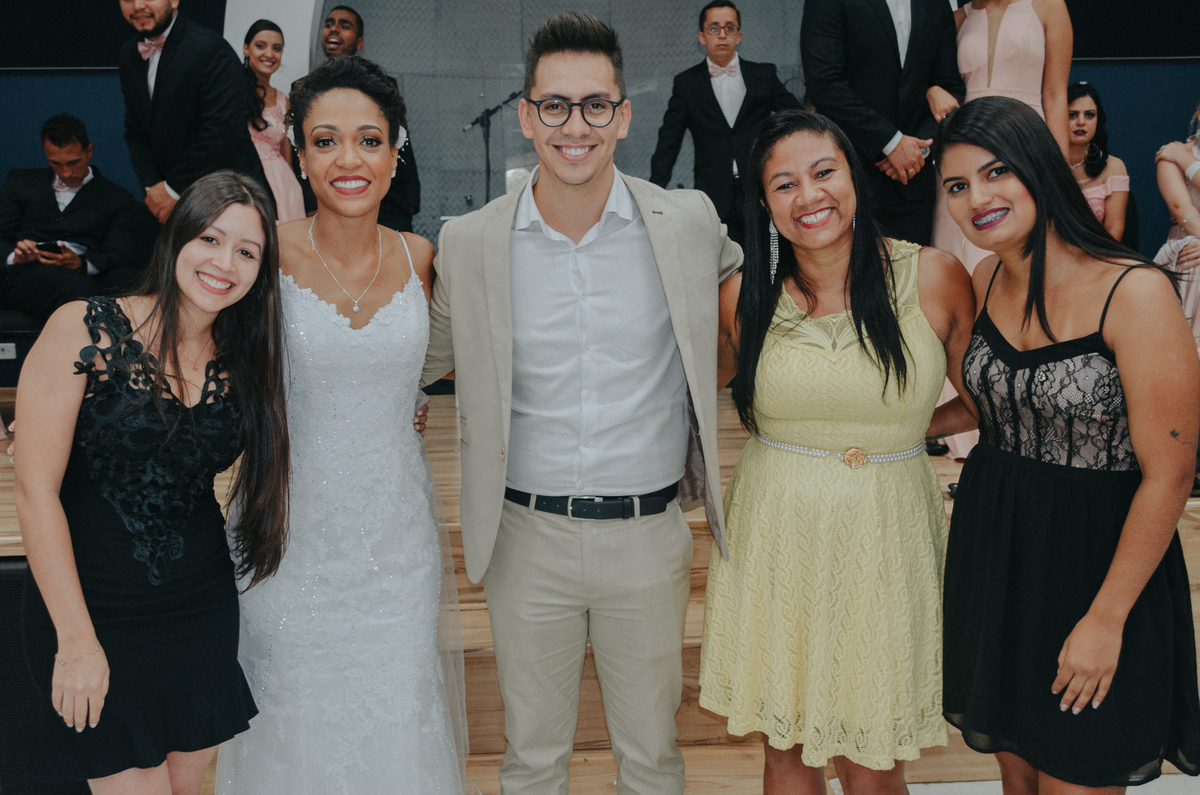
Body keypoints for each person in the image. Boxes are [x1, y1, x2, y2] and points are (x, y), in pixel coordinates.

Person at [421, 12, 741, 793]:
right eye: (555, 105)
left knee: (653, 760)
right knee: (531, 762)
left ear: (623, 116)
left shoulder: (688, 222)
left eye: (595, 104)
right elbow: (416, 362)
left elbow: (757, 311)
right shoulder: (470, 241)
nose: (575, 125)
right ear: (526, 116)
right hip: (524, 537)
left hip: (648, 536)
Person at [699, 109, 974, 794]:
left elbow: (986, 398)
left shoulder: (933, 276)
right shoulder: (742, 297)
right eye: (784, 184)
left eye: (824, 172)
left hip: (885, 529)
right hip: (776, 530)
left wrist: (903, 429)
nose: (809, 196)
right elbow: (686, 395)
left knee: (872, 757)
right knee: (784, 751)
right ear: (764, 204)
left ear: (855, 175)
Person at [932, 95, 1200, 792]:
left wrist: (1106, 619)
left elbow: (1170, 474)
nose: (976, 198)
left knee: (1076, 777)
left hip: (1097, 565)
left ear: (1039, 168)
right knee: (1019, 781)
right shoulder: (986, 279)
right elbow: (996, 402)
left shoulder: (1135, 293)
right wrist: (892, 429)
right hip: (998, 554)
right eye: (957, 185)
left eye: (996, 172)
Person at [216, 55, 466, 794]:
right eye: (325, 141)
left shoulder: (423, 257)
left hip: (396, 544)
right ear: (298, 154)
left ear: (395, 152)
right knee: (288, 722)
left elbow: (439, 365)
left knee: (396, 719)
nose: (348, 160)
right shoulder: (262, 254)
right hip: (286, 535)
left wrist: (409, 401)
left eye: (368, 140)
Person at [16, 170, 290, 793]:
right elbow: (35, 492)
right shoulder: (84, 328)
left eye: (247, 252)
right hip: (90, 610)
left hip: (199, 608)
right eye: (210, 239)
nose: (224, 263)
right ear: (176, 239)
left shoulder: (247, 361)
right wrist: (76, 642)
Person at [802, 0, 965, 246]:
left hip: (914, 179)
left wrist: (917, 149)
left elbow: (949, 87)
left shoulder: (936, 4)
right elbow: (824, 84)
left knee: (915, 268)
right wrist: (890, 142)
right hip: (851, 172)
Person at [929, 0, 1074, 271]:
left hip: (1024, 137)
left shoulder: (1049, 6)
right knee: (961, 239)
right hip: (968, 141)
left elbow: (1056, 94)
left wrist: (1061, 170)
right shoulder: (957, 18)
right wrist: (930, 91)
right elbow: (933, 78)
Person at [649, 1, 802, 244]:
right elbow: (669, 141)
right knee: (720, 261)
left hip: (759, 190)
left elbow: (798, 118)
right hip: (712, 193)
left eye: (729, 28)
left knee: (769, 257)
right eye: (714, 28)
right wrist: (652, 193)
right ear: (702, 36)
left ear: (738, 35)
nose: (722, 35)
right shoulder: (687, 84)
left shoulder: (762, 74)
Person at [117, 0, 263, 224]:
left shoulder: (210, 48)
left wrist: (173, 189)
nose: (137, 5)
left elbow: (223, 132)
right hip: (167, 204)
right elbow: (136, 131)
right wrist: (154, 188)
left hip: (229, 197)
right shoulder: (129, 54)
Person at [0, 113, 144, 321]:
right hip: (27, 273)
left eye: (73, 162)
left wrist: (81, 264)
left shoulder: (116, 198)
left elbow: (118, 255)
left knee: (132, 280)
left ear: (89, 151)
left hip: (82, 271)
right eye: (56, 163)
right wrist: (16, 256)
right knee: (79, 289)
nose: (66, 173)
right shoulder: (20, 182)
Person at [302, 5, 422, 233]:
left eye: (344, 26)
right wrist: (309, 202)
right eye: (329, 24)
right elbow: (301, 147)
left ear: (359, 42)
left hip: (389, 203)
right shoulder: (304, 89)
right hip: (328, 199)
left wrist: (411, 198)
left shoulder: (384, 86)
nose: (334, 29)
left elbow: (401, 141)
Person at [243, 20, 304, 224]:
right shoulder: (235, 91)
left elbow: (286, 151)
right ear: (246, 48)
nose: (269, 54)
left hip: (282, 184)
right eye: (260, 46)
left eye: (276, 48)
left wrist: (292, 188)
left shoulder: (283, 100)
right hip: (248, 180)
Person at [1155, 102, 1200, 347]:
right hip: (1189, 244)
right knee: (1194, 256)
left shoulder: (1179, 155)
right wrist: (1183, 157)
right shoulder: (1171, 154)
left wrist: (1186, 162)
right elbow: (1184, 212)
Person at [1067, 82, 1128, 240]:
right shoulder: (1045, 164)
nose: (1081, 122)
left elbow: (1113, 232)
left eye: (1089, 115)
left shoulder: (1114, 167)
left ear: (1098, 120)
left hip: (1098, 251)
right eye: (1072, 115)